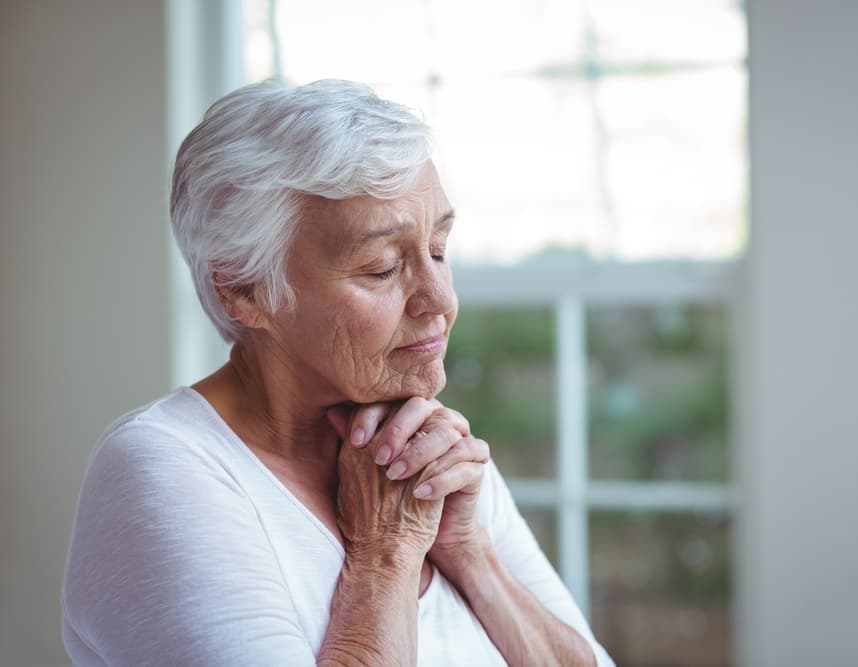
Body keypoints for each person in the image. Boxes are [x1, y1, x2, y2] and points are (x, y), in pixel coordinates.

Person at [61, 79, 614, 666]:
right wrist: (387, 554)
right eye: (381, 269)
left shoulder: (424, 444)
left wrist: (471, 554)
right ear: (244, 290)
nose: (439, 299)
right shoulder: (164, 469)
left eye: (439, 249)